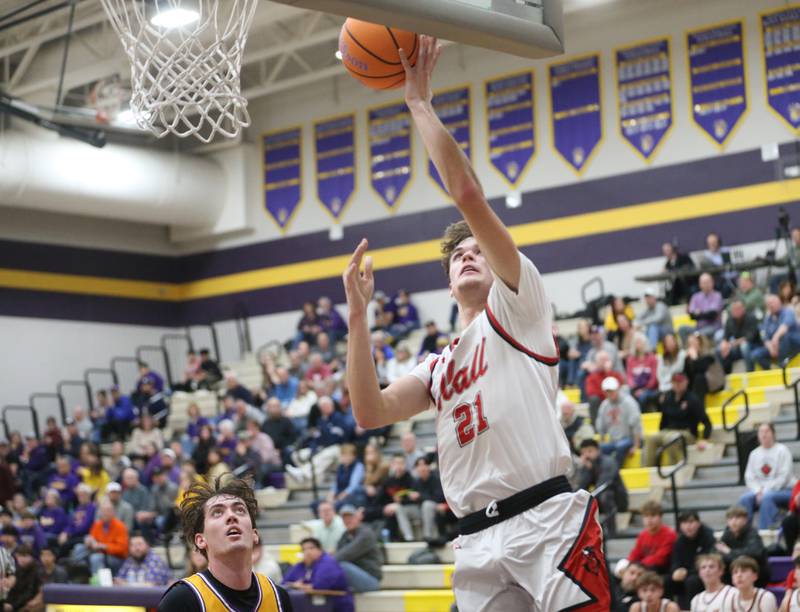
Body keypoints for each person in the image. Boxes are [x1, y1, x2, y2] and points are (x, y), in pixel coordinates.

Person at [344, 35, 608, 611]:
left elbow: (465, 193)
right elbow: (370, 411)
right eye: (457, 255)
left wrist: (418, 103)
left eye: (477, 249)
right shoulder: (438, 366)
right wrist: (358, 320)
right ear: (447, 282)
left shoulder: (520, 304)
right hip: (476, 539)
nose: (468, 253)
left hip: (546, 521)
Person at [158, 476, 293, 611]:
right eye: (217, 512)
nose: (231, 516)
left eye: (239, 510)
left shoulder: (278, 598)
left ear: (254, 534)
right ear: (200, 540)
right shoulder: (181, 600)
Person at [643, 373, 711, 467]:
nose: (677, 385)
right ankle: (648, 469)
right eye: (675, 382)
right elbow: (664, 418)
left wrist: (704, 438)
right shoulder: (667, 397)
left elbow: (706, 421)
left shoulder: (693, 399)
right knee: (651, 438)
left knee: (671, 438)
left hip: (687, 433)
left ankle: (675, 467)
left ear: (686, 382)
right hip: (668, 430)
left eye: (680, 382)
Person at [738, 422, 795, 529]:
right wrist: (757, 490)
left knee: (767, 498)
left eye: (767, 431)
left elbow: (784, 477)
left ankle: (765, 532)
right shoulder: (754, 454)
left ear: (773, 433)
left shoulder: (782, 450)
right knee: (744, 499)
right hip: (760, 491)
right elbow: (749, 477)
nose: (764, 434)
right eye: (761, 432)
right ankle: (745, 532)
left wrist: (764, 491)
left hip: (784, 490)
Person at [283, 537, 354, 612]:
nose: (307, 552)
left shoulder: (327, 562)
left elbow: (319, 586)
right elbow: (284, 583)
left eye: (311, 548)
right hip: (313, 604)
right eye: (304, 550)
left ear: (320, 549)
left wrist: (299, 585)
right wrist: (295, 585)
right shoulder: (301, 565)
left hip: (336, 604)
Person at [575, 440, 628, 528]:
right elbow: (581, 487)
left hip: (617, 499)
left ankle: (612, 530)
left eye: (590, 451)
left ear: (598, 450)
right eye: (583, 453)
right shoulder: (588, 465)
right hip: (600, 498)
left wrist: (591, 468)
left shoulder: (609, 462)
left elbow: (602, 486)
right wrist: (585, 469)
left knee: (605, 495)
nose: (587, 455)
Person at [668, 511, 716, 610]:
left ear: (698, 523)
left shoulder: (708, 537)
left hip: (702, 573)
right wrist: (675, 570)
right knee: (666, 581)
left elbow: (708, 560)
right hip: (684, 573)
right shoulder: (679, 540)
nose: (688, 526)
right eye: (684, 523)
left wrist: (687, 572)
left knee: (692, 581)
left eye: (691, 522)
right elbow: (675, 560)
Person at [71, 498, 129, 576]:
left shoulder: (120, 527)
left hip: (116, 557)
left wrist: (103, 546)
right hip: (98, 552)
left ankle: (98, 584)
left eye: (108, 511)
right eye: (103, 511)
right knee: (78, 547)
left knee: (96, 557)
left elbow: (122, 549)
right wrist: (89, 542)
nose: (105, 513)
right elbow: (92, 538)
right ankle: (80, 573)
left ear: (113, 512)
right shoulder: (97, 524)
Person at [595, 376, 642, 467]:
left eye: (612, 390)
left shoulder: (629, 402)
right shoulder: (604, 405)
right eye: (607, 391)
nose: (610, 393)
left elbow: (636, 424)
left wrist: (636, 445)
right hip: (613, 441)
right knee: (600, 449)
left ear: (618, 389)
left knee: (620, 446)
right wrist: (601, 441)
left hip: (629, 439)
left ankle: (614, 472)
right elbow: (601, 427)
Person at [334, 505, 382, 593]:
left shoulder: (366, 534)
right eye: (345, 518)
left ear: (357, 518)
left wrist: (322, 562)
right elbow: (338, 554)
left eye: (350, 517)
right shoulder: (344, 536)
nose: (348, 520)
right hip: (354, 579)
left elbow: (345, 554)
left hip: (370, 579)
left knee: (342, 565)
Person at [622, 501, 676, 575]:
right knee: (621, 573)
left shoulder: (669, 534)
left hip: (662, 570)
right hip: (644, 568)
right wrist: (629, 565)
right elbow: (635, 553)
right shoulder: (643, 535)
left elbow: (660, 559)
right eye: (646, 516)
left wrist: (639, 566)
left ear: (660, 517)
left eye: (653, 515)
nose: (649, 520)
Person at [716, 505, 766, 580]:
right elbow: (719, 553)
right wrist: (732, 555)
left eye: (737, 518)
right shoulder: (727, 533)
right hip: (734, 571)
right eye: (730, 518)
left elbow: (754, 553)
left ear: (745, 520)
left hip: (757, 572)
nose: (733, 521)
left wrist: (729, 551)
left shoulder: (752, 533)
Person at [752, 294, 800, 370]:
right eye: (769, 304)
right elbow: (764, 336)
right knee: (756, 354)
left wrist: (775, 338)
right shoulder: (768, 319)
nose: (771, 305)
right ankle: (772, 369)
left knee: (785, 336)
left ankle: (781, 365)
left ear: (779, 302)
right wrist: (770, 347)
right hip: (777, 347)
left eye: (773, 302)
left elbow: (785, 327)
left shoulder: (787, 311)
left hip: (794, 344)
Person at [718, 299, 762, 373]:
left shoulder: (751, 318)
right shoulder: (730, 320)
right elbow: (726, 336)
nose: (735, 311)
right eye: (734, 309)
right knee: (719, 349)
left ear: (743, 309)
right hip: (737, 347)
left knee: (744, 346)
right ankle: (725, 375)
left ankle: (750, 372)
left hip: (754, 345)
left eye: (738, 308)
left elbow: (749, 338)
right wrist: (724, 344)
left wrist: (731, 344)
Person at [680, 273, 723, 344]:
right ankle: (688, 350)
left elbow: (712, 315)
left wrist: (699, 313)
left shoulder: (717, 295)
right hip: (698, 328)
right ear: (700, 284)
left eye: (708, 282)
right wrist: (703, 313)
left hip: (713, 327)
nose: (706, 285)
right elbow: (692, 316)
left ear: (712, 282)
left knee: (699, 334)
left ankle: (697, 343)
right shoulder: (695, 296)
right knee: (682, 329)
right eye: (704, 283)